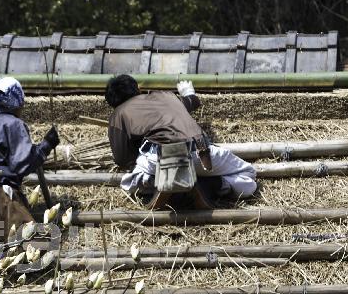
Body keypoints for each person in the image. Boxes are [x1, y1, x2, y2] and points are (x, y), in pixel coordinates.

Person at [105, 74, 257, 209]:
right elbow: (192, 101)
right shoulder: (166, 96)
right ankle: (209, 185)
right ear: (137, 89)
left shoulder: (119, 114)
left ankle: (158, 183)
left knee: (128, 183)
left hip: (157, 157)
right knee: (248, 175)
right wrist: (188, 91)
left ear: (112, 103)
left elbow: (122, 159)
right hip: (200, 153)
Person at [0, 77, 59, 241]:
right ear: (15, 100)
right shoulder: (11, 123)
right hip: (0, 194)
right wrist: (46, 146)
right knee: (31, 248)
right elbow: (23, 163)